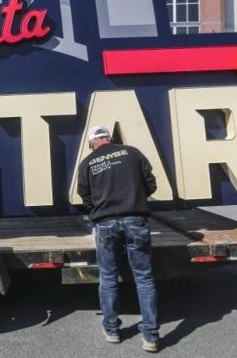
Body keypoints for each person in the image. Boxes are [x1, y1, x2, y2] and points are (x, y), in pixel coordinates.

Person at [76, 125, 159, 352]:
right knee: (144, 278)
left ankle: (112, 330)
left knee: (108, 278)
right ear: (109, 139)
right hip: (136, 219)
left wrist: (101, 208)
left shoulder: (88, 163)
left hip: (105, 224)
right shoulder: (132, 152)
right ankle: (150, 336)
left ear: (93, 143)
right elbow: (150, 184)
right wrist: (133, 199)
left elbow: (85, 197)